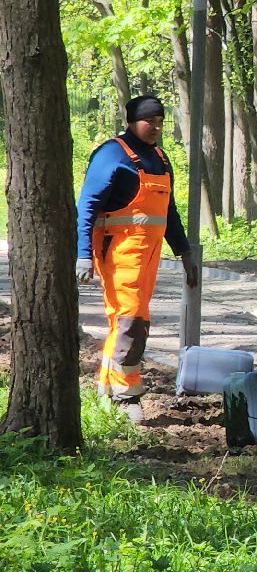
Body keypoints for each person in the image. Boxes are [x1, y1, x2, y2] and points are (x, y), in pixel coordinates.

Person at [76, 94, 200, 412]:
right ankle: (126, 395)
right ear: (132, 122)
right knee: (131, 319)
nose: (156, 127)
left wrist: (184, 252)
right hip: (118, 251)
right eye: (149, 121)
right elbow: (87, 205)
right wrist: (83, 254)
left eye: (160, 122)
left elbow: (168, 211)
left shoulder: (160, 157)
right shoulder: (112, 154)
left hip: (148, 255)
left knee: (128, 319)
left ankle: (107, 391)